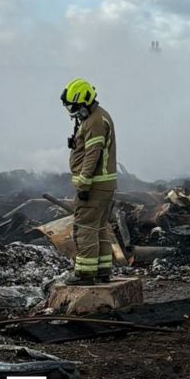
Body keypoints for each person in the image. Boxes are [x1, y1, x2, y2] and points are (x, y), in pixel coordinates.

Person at [61, 78, 117, 285]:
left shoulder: (94, 122)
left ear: (84, 102)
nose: (72, 112)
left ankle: (85, 275)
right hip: (104, 186)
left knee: (85, 228)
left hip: (94, 186)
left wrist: (83, 184)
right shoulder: (98, 116)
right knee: (99, 228)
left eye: (74, 107)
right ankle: (102, 271)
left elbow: (93, 154)